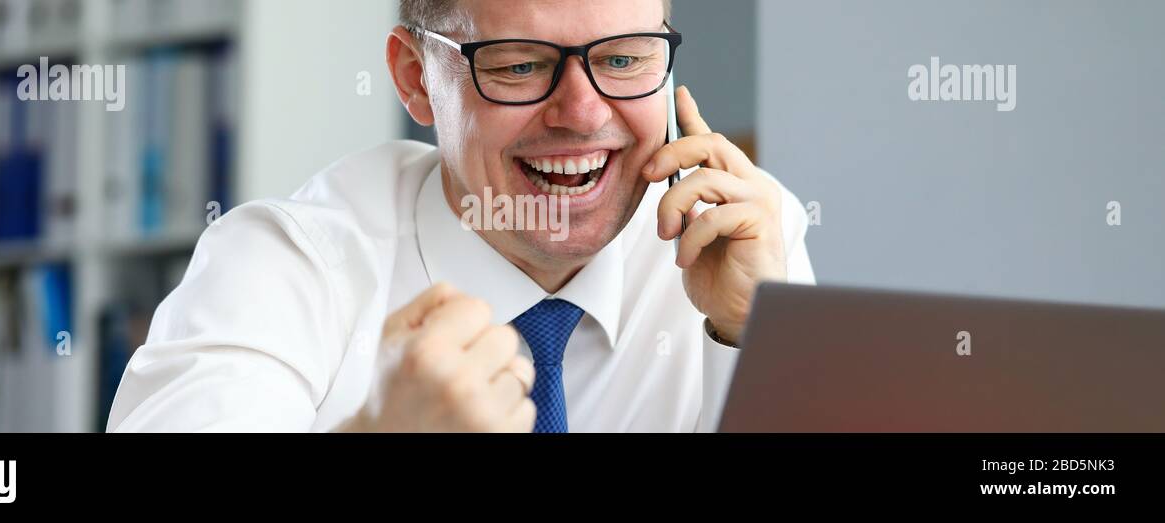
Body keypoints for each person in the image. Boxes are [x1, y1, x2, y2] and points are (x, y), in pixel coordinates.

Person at [106, 0, 814, 433]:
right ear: (416, 78)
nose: (583, 113)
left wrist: (756, 345)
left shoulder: (743, 242)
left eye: (625, 59)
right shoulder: (280, 267)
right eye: (520, 67)